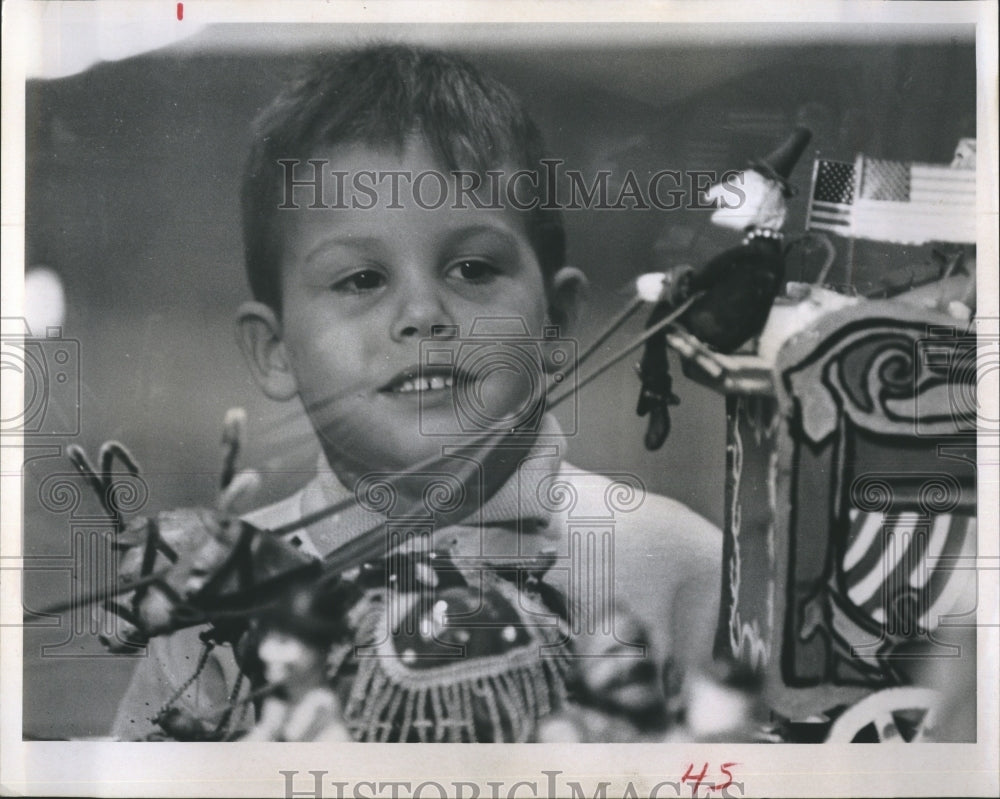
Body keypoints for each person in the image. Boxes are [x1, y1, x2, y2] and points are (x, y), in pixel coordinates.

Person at [110, 43, 722, 742]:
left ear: (555, 321)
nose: (423, 313)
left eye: (473, 268)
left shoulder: (683, 566)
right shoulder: (211, 588)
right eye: (361, 280)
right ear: (276, 352)